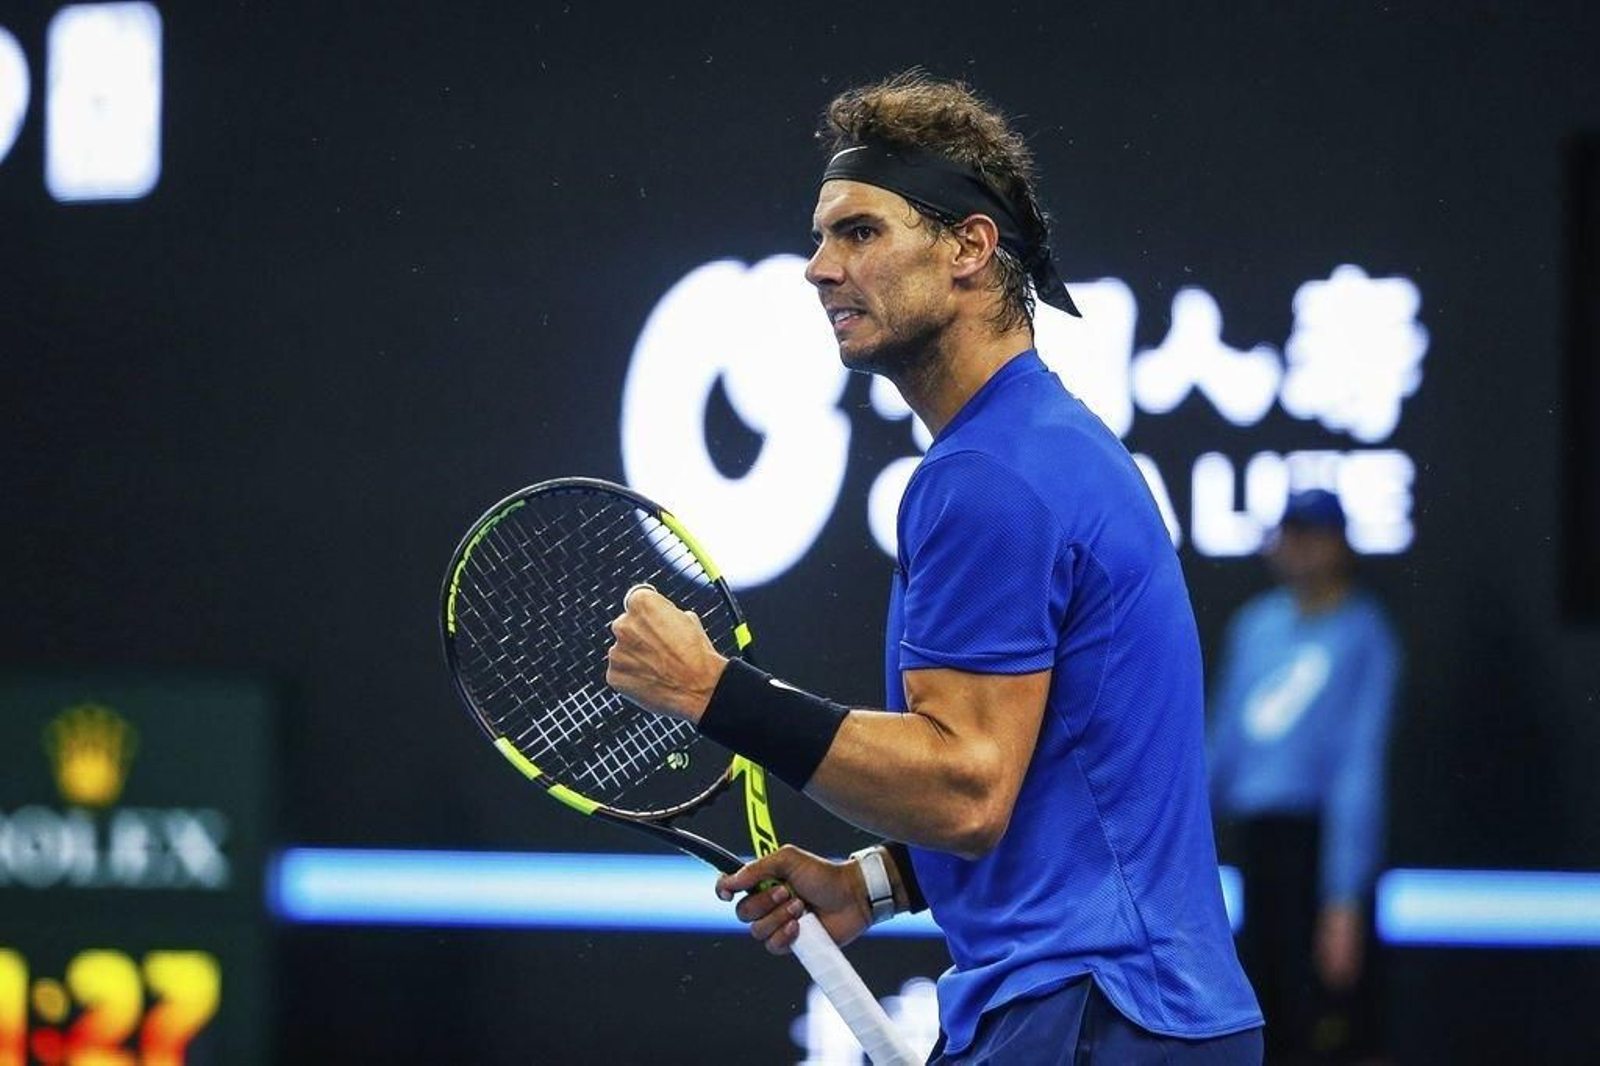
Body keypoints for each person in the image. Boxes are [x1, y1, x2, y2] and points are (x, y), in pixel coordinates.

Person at [606, 71, 1262, 1063]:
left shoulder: (987, 476)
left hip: (1091, 1015)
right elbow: (1058, 781)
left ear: (969, 248)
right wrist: (870, 885)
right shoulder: (1047, 445)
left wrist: (712, 691)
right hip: (1136, 1011)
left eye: (859, 232)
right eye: (821, 235)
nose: (818, 268)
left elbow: (966, 789)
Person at [1206, 489, 1400, 1064]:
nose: (1298, 548)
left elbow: (1357, 768)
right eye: (1289, 534)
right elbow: (1222, 747)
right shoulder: (1256, 627)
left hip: (1318, 846)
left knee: (1328, 1021)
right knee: (1265, 1010)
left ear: (1340, 545)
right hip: (1259, 846)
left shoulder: (1365, 635)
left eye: (1312, 535)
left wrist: (1343, 897)